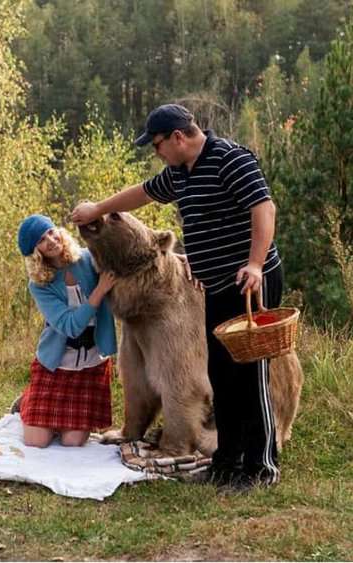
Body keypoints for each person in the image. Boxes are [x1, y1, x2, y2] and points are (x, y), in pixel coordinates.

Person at [70, 103, 284, 492]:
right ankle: (226, 463)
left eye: (157, 145)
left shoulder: (231, 159)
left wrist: (255, 264)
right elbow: (142, 194)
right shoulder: (181, 174)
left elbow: (264, 209)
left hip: (250, 282)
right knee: (222, 374)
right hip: (216, 284)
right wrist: (100, 208)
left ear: (178, 137)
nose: (157, 154)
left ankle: (260, 467)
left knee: (250, 377)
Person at [13, 214, 118, 448]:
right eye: (41, 240)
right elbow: (70, 326)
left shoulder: (89, 259)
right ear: (35, 251)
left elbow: (126, 257)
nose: (51, 240)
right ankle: (27, 401)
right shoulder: (39, 285)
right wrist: (99, 291)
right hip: (57, 363)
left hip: (91, 363)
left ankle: (56, 421)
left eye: (51, 232)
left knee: (74, 441)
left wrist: (181, 259)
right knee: (36, 442)